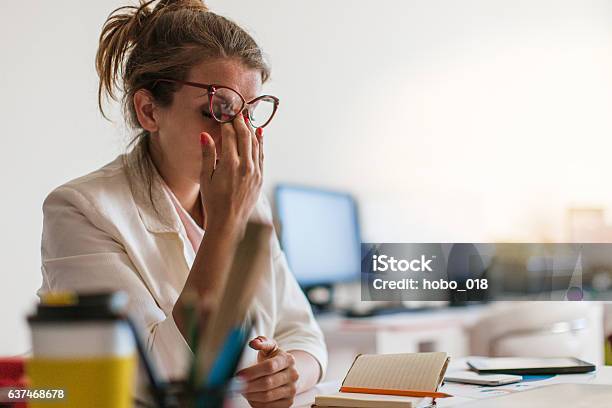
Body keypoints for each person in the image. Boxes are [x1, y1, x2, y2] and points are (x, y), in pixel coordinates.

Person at [38, 1, 327, 406]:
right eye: (218, 109)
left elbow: (305, 336)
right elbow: (153, 377)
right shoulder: (80, 210)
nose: (238, 133)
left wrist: (288, 374)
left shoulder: (250, 202)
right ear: (149, 111)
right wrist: (225, 225)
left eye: (250, 112)